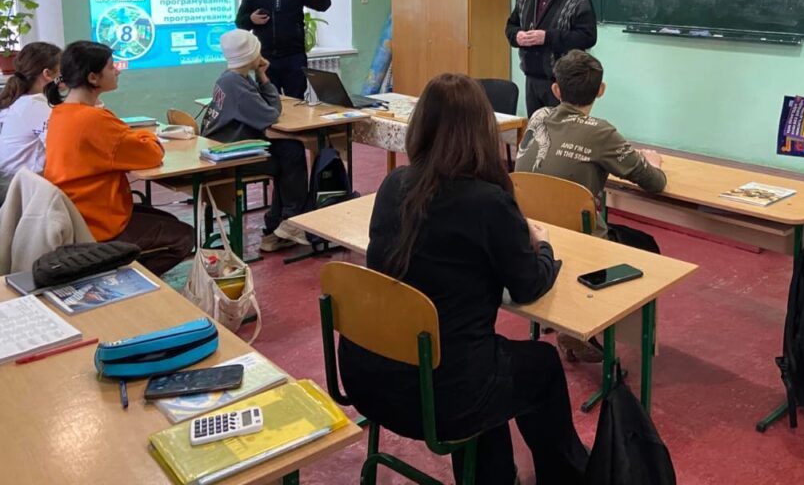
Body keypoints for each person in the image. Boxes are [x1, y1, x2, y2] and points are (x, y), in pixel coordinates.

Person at [338, 73, 588, 485]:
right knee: (539, 364)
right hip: (442, 396)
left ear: (421, 125)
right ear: (482, 132)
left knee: (480, 358)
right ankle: (567, 476)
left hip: (367, 375)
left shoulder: (394, 184)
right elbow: (528, 286)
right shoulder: (489, 202)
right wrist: (542, 246)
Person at [515, 48, 666, 361]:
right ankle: (600, 325)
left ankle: (570, 318)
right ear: (601, 90)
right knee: (646, 248)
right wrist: (653, 162)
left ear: (556, 89)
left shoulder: (538, 117)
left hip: (532, 235)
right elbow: (654, 182)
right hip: (581, 243)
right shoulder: (601, 132)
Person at [43, 41, 193, 276]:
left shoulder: (61, 112)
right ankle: (115, 278)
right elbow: (152, 154)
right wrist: (146, 135)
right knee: (184, 236)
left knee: (167, 220)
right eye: (112, 67)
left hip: (78, 212)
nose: (118, 71)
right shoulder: (93, 120)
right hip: (97, 223)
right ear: (93, 78)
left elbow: (120, 139)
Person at [201, 29, 310, 252]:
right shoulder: (238, 85)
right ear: (251, 55)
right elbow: (272, 114)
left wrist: (260, 75)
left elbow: (266, 109)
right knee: (291, 154)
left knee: (288, 148)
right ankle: (290, 221)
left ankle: (279, 224)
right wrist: (264, 77)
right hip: (230, 158)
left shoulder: (230, 78)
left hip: (224, 149)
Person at [505, 0, 597, 117]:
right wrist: (517, 36)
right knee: (537, 129)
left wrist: (547, 37)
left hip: (564, 83)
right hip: (532, 78)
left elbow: (588, 37)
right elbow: (511, 26)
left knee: (561, 130)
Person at [234, 0, 331, 98]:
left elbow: (323, 6)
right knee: (268, 99)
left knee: (296, 100)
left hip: (294, 57)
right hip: (265, 58)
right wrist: (251, 19)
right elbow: (240, 23)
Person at [0, 42, 61, 180]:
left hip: (15, 180)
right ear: (47, 74)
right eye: (62, 69)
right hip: (22, 184)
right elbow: (59, 149)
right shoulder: (35, 105)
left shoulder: (21, 101)